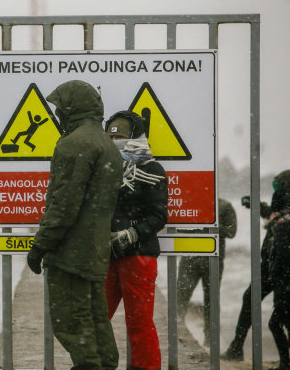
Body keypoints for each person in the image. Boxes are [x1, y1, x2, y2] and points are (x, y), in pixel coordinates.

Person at [26, 80, 123, 370]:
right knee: (94, 317)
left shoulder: (73, 145)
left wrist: (40, 246)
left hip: (70, 253)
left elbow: (63, 206)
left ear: (72, 108)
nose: (57, 115)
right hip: (94, 251)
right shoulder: (106, 144)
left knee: (71, 322)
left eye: (59, 109)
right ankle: (106, 364)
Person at [103, 110, 167, 370]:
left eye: (119, 136)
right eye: (110, 135)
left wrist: (132, 233)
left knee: (139, 324)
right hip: (104, 256)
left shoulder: (152, 169)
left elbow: (159, 215)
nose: (114, 141)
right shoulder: (101, 168)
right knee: (95, 321)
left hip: (139, 257)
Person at [221, 169, 290, 361]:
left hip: (281, 267)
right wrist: (258, 206)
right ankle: (237, 347)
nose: (275, 188)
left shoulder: (284, 200)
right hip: (272, 265)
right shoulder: (283, 203)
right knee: (259, 305)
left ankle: (239, 348)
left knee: (279, 317)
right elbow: (275, 215)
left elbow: (279, 217)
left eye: (277, 185)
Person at [176, 198, 237, 344]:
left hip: (213, 259)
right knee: (181, 297)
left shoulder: (224, 206)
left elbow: (231, 231)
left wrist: (210, 224)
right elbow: (177, 226)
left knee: (211, 300)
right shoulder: (191, 204)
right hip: (190, 257)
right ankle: (176, 333)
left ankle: (210, 338)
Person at [269, 205, 290, 370]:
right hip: (285, 284)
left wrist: (275, 279)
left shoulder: (283, 229)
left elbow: (280, 259)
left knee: (275, 324)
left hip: (284, 286)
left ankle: (285, 363)